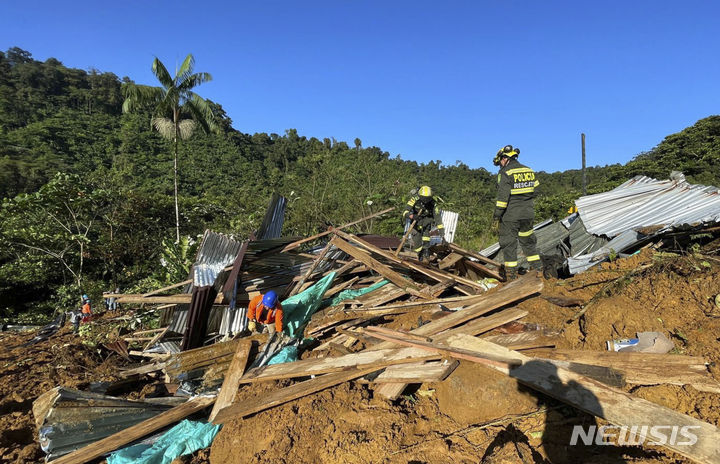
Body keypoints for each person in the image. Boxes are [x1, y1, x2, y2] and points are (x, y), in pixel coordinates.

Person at [492, 145, 541, 280]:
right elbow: (536, 190)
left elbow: (502, 199)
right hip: (528, 214)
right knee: (528, 242)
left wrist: (496, 216)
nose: (500, 165)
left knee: (509, 243)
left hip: (511, 215)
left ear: (504, 158)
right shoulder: (529, 170)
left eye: (500, 162)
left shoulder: (505, 172)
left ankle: (511, 276)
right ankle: (538, 270)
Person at [403, 185, 445, 261]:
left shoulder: (433, 204)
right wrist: (412, 216)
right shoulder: (414, 199)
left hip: (426, 222)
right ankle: (420, 254)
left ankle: (426, 253)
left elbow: (438, 219)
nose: (425, 200)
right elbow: (405, 212)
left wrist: (442, 234)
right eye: (423, 198)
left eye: (427, 198)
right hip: (416, 222)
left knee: (426, 238)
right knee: (417, 242)